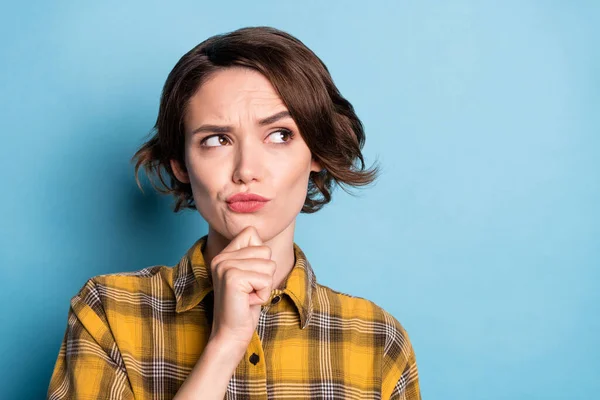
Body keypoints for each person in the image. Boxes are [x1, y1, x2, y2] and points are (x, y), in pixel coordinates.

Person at [47, 26, 422, 400]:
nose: (246, 170)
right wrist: (224, 344)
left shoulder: (376, 340)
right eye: (216, 140)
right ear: (180, 163)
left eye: (279, 135)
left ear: (317, 152)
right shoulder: (108, 312)